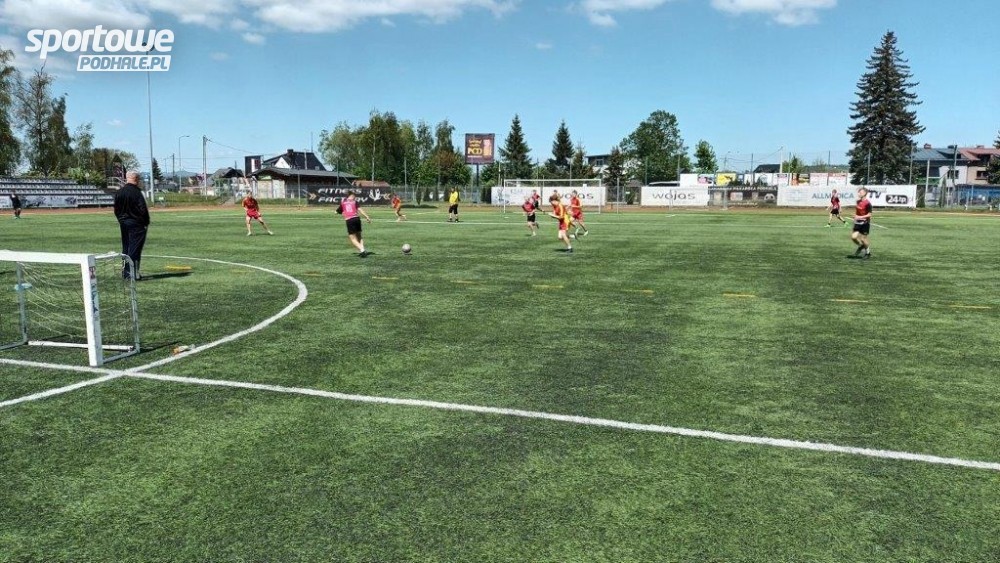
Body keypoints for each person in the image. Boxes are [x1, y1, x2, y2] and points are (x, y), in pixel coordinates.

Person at [113, 171, 151, 280]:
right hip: (137, 224)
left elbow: (116, 209)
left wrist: (121, 220)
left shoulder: (120, 192)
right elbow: (142, 209)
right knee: (135, 249)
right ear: (137, 179)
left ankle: (126, 273)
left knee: (126, 248)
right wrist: (145, 222)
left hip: (124, 223)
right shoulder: (137, 192)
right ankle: (132, 273)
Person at [336, 191, 372, 257]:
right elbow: (360, 210)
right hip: (357, 219)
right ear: (351, 195)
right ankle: (363, 249)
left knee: (352, 238)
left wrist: (336, 212)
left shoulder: (343, 202)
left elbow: (338, 211)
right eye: (354, 195)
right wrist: (367, 216)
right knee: (359, 236)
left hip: (349, 220)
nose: (355, 197)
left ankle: (362, 250)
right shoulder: (355, 202)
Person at [851, 187, 872, 258]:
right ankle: (861, 246)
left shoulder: (868, 203)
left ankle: (868, 253)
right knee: (853, 237)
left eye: (860, 192)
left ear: (865, 193)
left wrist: (859, 217)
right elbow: (857, 212)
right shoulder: (857, 202)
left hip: (865, 223)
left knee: (863, 239)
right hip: (858, 222)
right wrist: (855, 217)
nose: (859, 194)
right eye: (858, 192)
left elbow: (869, 215)